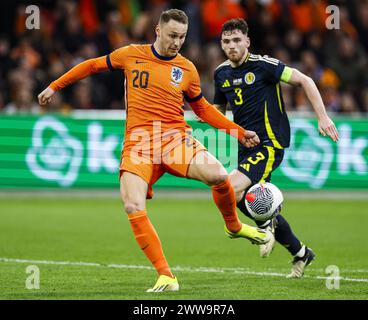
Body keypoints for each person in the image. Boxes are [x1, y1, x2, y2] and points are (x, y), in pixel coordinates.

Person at [38, 10, 272, 293]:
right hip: (138, 144)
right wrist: (54, 86)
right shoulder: (130, 54)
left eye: (182, 37)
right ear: (157, 31)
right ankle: (166, 276)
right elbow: (90, 66)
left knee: (220, 176)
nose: (177, 42)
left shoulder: (187, 69)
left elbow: (202, 110)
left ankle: (233, 227)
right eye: (172, 35)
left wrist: (237, 131)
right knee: (132, 205)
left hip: (174, 139)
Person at [213, 18, 339, 278]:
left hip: (270, 143)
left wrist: (323, 117)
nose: (232, 46)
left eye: (237, 40)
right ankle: (301, 251)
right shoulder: (220, 74)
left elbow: (305, 80)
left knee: (229, 188)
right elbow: (218, 112)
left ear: (247, 41)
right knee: (242, 198)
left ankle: (261, 227)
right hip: (245, 145)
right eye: (226, 41)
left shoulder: (264, 66)